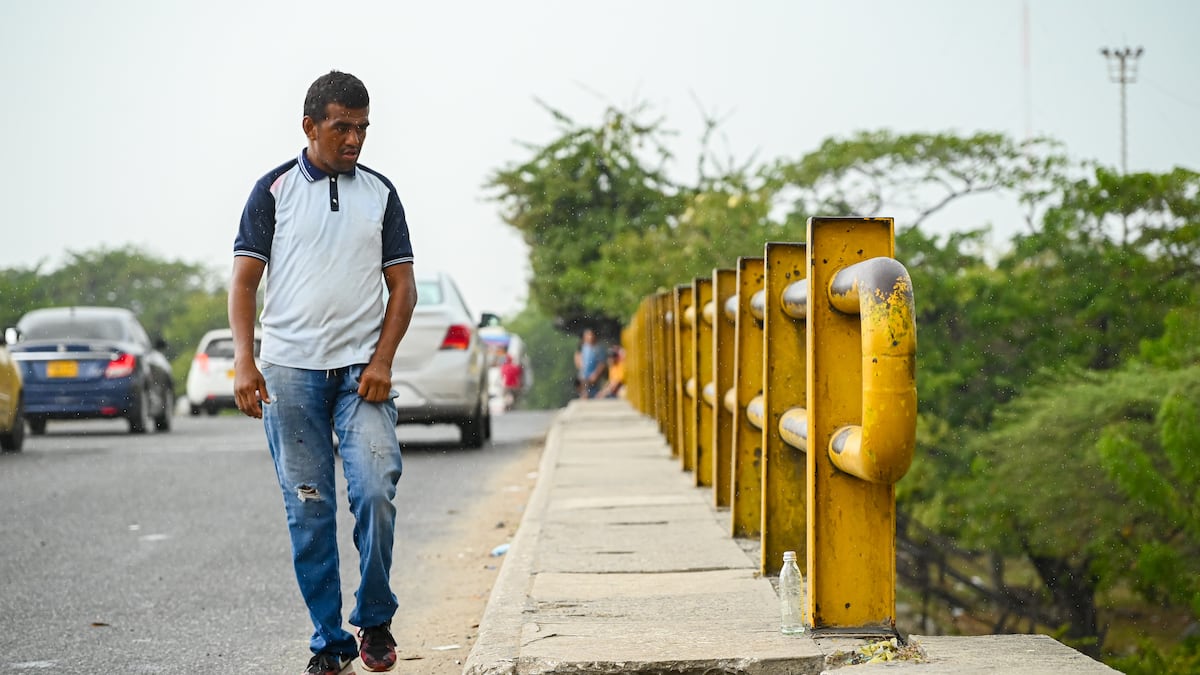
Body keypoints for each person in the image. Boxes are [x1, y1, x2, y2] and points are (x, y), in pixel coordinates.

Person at [229, 71, 418, 675]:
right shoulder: (273, 190)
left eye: (363, 128)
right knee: (309, 509)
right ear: (310, 127)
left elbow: (403, 288)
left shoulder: (381, 193)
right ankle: (329, 642)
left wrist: (384, 360)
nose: (355, 139)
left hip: (362, 372)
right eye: (342, 127)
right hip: (290, 375)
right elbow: (243, 281)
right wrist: (244, 361)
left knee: (375, 488)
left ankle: (376, 618)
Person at [574, 328, 604, 398]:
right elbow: (577, 357)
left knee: (594, 392)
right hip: (583, 374)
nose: (589, 337)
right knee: (584, 390)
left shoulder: (597, 348)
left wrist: (596, 373)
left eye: (590, 335)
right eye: (587, 335)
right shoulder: (581, 347)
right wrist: (580, 364)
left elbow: (601, 363)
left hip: (594, 375)